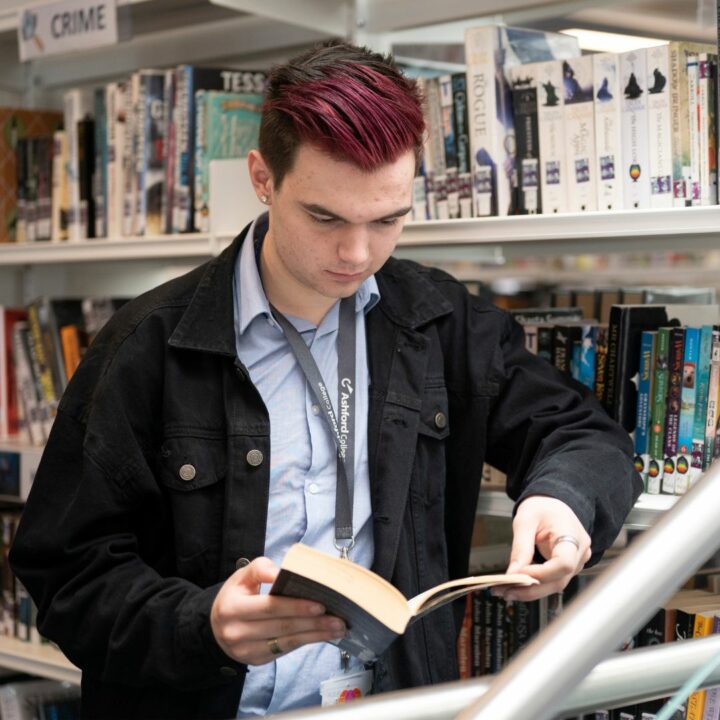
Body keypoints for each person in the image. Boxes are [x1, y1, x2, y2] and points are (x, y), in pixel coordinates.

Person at [9, 40, 642, 719]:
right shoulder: (147, 347)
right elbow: (67, 573)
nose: (358, 253)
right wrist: (204, 625)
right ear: (262, 178)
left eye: (388, 219)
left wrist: (564, 503)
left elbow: (582, 433)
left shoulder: (439, 322)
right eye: (325, 217)